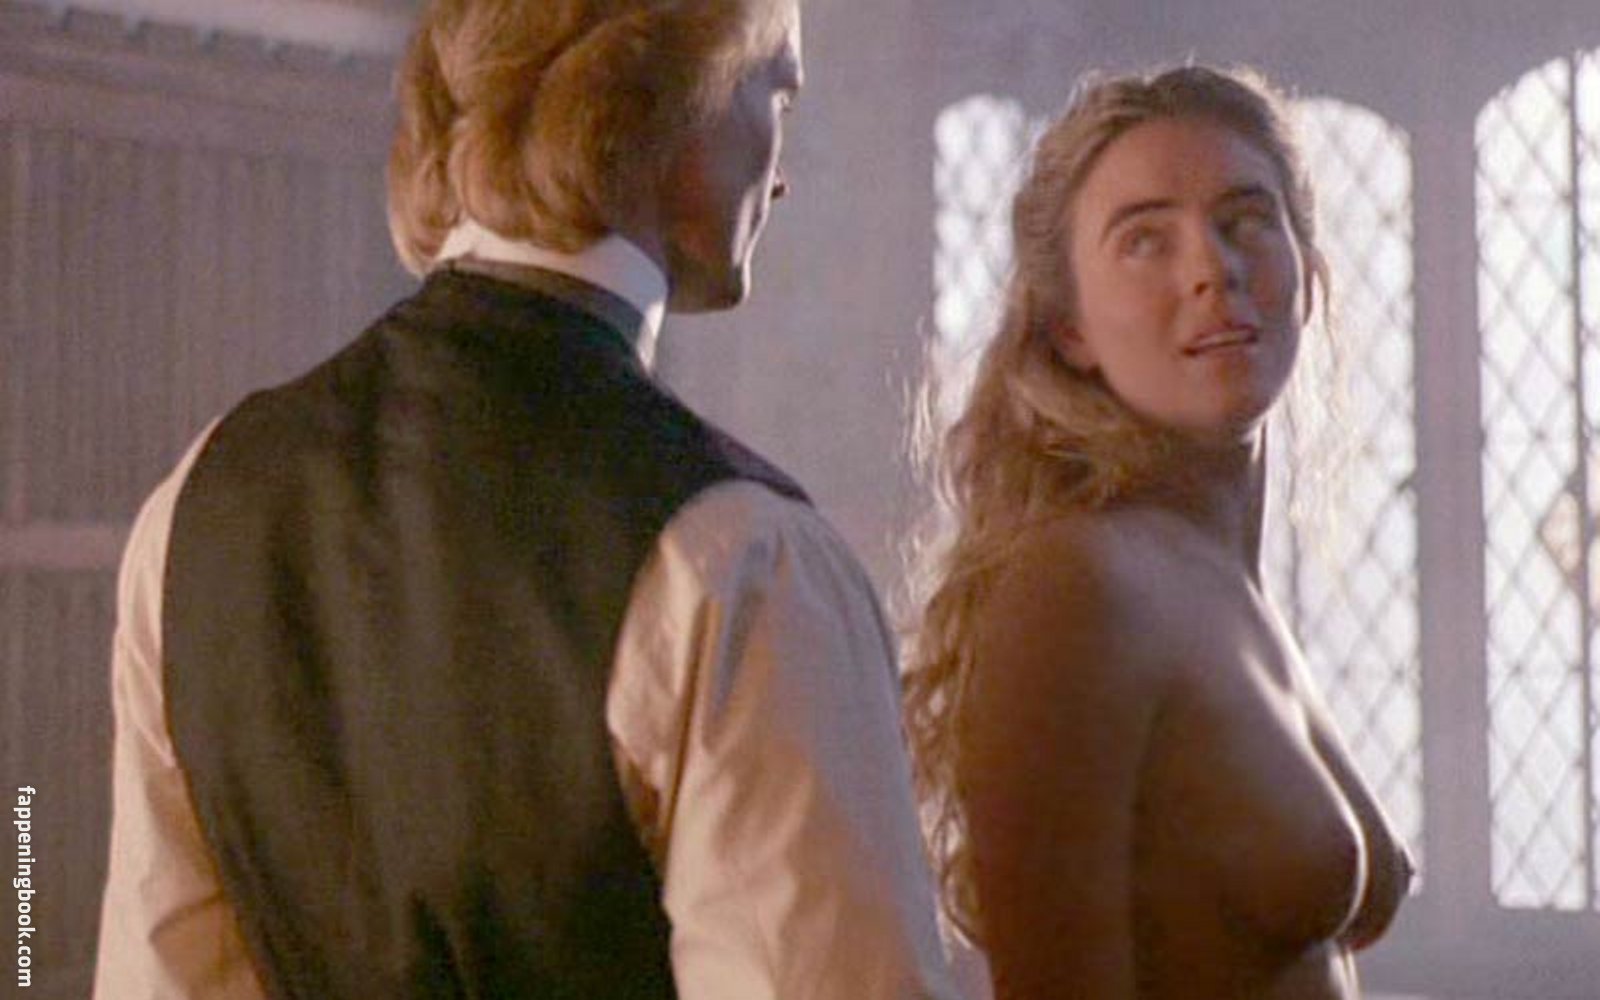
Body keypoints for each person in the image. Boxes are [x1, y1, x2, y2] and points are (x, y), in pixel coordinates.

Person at [93, 2, 957, 997]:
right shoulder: (740, 559)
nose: (783, 171)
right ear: (674, 102)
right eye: (779, 97)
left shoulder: (200, 502)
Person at [903, 64, 1414, 999]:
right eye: (1145, 239)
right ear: (1068, 327)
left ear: (1308, 271)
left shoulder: (1216, 576)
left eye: (1246, 219)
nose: (1212, 269)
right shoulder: (1082, 585)